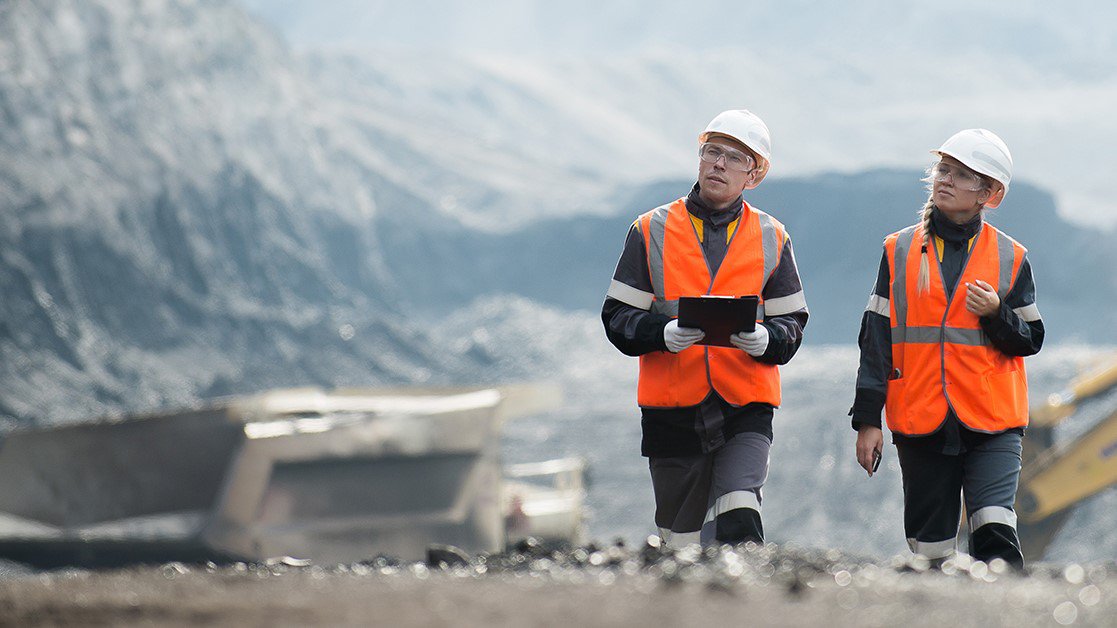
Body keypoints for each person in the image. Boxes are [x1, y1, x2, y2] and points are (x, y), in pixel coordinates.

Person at [602, 109, 808, 547]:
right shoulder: (650, 229)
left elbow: (792, 321)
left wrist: (768, 340)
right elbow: (617, 318)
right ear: (699, 159)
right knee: (681, 543)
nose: (719, 164)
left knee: (739, 517)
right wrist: (660, 333)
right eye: (712, 152)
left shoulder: (774, 237)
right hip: (672, 411)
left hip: (745, 406)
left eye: (735, 158)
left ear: (754, 176)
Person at [850, 129, 1043, 569]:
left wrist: (997, 313)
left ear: (989, 195)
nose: (946, 179)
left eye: (961, 175)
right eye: (943, 169)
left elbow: (1031, 338)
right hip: (922, 421)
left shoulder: (1012, 257)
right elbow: (876, 339)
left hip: (993, 422)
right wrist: (867, 420)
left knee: (995, 533)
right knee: (930, 553)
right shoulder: (898, 251)